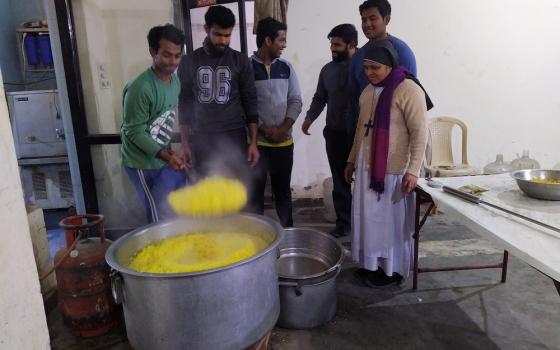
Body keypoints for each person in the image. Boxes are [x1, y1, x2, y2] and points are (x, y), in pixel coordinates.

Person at [344, 41, 428, 287]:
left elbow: (420, 132)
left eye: (375, 68)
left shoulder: (409, 90)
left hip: (393, 170)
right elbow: (361, 130)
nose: (369, 73)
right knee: (368, 219)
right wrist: (351, 160)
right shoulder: (368, 92)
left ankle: (392, 270)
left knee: (390, 224)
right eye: (366, 67)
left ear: (390, 65)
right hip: (367, 166)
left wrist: (413, 170)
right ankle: (372, 265)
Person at [178, 5, 260, 183]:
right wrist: (185, 144)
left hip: (234, 135)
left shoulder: (240, 61)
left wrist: (253, 143)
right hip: (202, 136)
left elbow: (250, 103)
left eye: (227, 35)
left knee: (235, 188)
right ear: (206, 29)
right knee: (205, 188)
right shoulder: (189, 61)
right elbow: (184, 105)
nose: (223, 40)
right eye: (218, 34)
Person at [120, 24, 187, 224]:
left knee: (171, 208)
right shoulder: (140, 88)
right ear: (152, 52)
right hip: (141, 163)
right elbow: (134, 132)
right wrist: (166, 155)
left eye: (177, 56)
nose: (173, 62)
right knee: (157, 215)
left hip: (161, 158)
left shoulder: (175, 82)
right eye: (167, 55)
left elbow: (162, 122)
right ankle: (159, 252)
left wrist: (169, 152)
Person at [301, 23, 358, 237]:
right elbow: (320, 97)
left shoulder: (365, 67)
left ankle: (365, 227)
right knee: (340, 181)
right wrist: (309, 118)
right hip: (334, 134)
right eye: (331, 45)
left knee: (363, 183)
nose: (333, 49)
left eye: (338, 45)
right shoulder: (328, 70)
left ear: (352, 44)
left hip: (360, 136)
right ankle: (344, 224)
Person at [251, 17, 302, 227]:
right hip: (258, 145)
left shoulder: (286, 67)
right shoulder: (247, 68)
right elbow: (246, 105)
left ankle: (288, 234)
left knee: (283, 194)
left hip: (284, 144)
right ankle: (257, 240)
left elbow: (296, 100)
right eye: (281, 40)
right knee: (255, 195)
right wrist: (264, 128)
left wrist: (283, 129)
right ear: (268, 40)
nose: (285, 45)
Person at [347, 0, 417, 141]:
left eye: (372, 18)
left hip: (394, 134)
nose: (367, 24)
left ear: (386, 19)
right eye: (363, 20)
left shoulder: (401, 52)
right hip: (364, 130)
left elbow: (411, 96)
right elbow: (353, 99)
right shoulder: (358, 57)